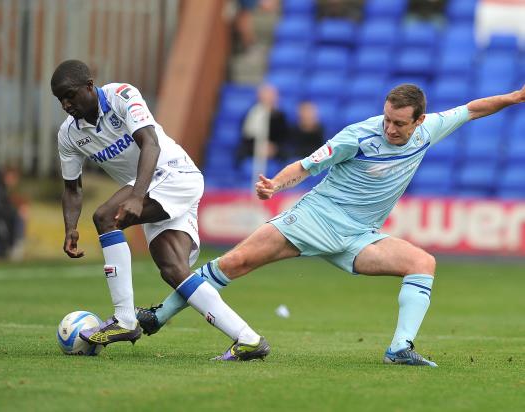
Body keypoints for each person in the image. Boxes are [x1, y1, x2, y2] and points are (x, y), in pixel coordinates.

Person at [137, 83, 525, 366]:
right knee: (233, 263)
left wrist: (514, 97)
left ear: (419, 121)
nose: (390, 128)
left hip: (357, 237)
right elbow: (307, 166)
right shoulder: (357, 136)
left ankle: (399, 350)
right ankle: (158, 316)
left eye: (399, 124)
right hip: (313, 220)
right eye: (388, 119)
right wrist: (275, 184)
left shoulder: (430, 129)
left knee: (423, 263)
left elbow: (474, 108)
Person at [51, 59, 269, 360]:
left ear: (89, 86)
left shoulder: (122, 96)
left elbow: (150, 143)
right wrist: (70, 227)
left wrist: (137, 196)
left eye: (70, 95)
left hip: (172, 174)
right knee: (172, 268)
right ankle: (248, 339)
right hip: (150, 189)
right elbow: (72, 188)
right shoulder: (69, 135)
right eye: (60, 99)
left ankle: (125, 319)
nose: (65, 103)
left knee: (104, 217)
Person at [236, 83, 288, 164]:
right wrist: (258, 147)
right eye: (265, 96)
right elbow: (246, 135)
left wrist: (273, 147)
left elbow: (284, 137)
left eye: (271, 96)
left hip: (274, 149)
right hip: (254, 146)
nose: (268, 99)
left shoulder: (280, 115)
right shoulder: (252, 113)